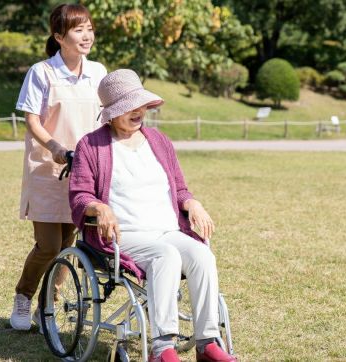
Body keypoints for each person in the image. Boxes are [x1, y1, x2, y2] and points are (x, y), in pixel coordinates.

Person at [69, 69, 236, 362]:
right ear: (111, 112)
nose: (138, 112)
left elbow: (180, 189)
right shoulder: (91, 145)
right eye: (128, 107)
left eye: (141, 105)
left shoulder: (159, 141)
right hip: (125, 236)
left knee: (202, 255)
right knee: (166, 256)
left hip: (168, 230)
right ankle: (162, 349)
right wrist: (100, 207)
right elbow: (80, 196)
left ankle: (207, 342)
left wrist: (193, 203)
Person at [10, 3, 107, 331]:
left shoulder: (99, 72)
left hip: (86, 171)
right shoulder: (42, 72)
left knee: (69, 247)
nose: (87, 35)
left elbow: (107, 116)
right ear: (59, 36)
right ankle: (23, 295)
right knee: (49, 245)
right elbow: (31, 119)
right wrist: (54, 147)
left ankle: (46, 306)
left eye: (89, 28)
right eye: (79, 29)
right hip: (48, 169)